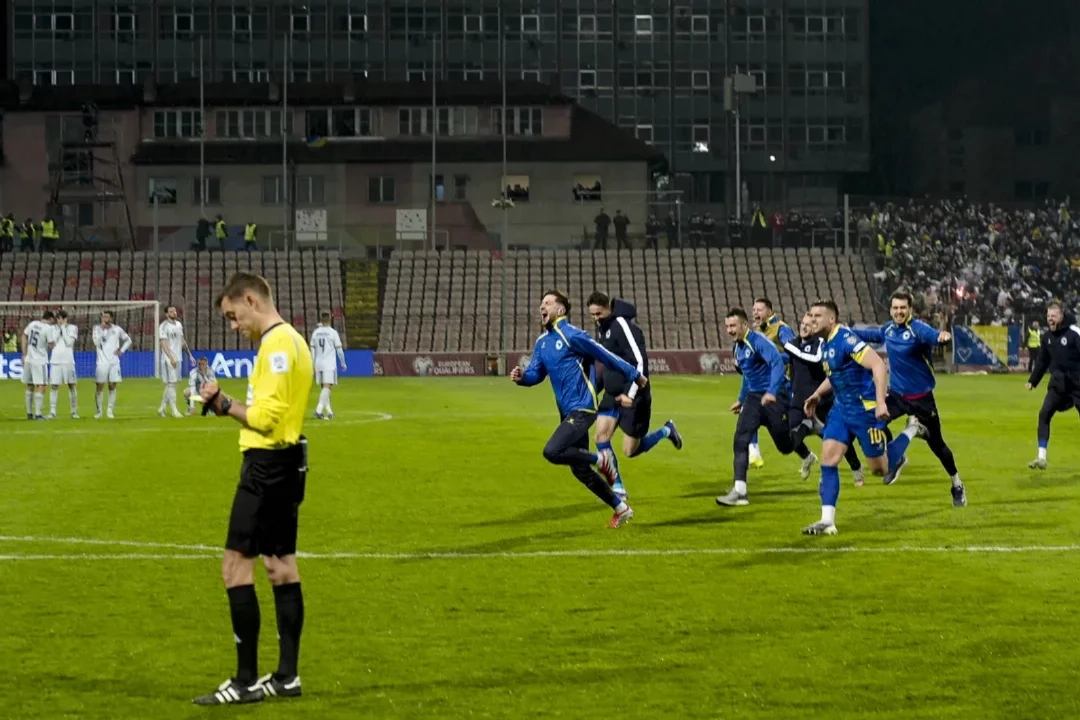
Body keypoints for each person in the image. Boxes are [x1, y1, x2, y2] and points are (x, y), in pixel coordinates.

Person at [192, 272, 313, 705]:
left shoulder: (277, 346)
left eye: (232, 315)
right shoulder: (292, 340)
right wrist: (224, 404)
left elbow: (266, 418)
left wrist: (222, 403)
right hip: (288, 463)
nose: (233, 326)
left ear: (250, 300)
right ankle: (286, 677)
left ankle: (244, 683)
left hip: (265, 469)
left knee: (234, 568)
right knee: (281, 567)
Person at [511, 290, 648, 528]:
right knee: (579, 469)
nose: (542, 306)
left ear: (561, 310)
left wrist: (634, 374)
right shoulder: (542, 342)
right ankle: (621, 508)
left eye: (547, 303)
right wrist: (523, 377)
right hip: (567, 412)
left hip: (583, 407)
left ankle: (601, 459)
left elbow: (605, 355)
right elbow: (536, 374)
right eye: (541, 303)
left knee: (552, 451)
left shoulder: (573, 335)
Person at [801, 300, 926, 536]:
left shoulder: (845, 339)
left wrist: (880, 402)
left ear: (831, 319)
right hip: (841, 410)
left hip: (865, 411)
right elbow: (836, 374)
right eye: (811, 315)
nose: (812, 320)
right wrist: (817, 394)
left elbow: (878, 365)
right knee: (829, 459)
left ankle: (911, 430)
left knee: (880, 470)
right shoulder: (825, 343)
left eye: (817, 316)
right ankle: (827, 521)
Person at [851, 290, 964, 506]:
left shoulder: (917, 329)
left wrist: (942, 338)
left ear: (910, 309)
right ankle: (898, 456)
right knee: (873, 421)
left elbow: (933, 336)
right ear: (890, 309)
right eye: (895, 308)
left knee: (937, 445)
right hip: (897, 396)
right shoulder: (888, 329)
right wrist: (846, 332)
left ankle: (957, 484)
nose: (899, 311)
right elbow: (872, 335)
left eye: (903, 308)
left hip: (922, 400)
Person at [587, 292, 683, 500]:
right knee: (600, 437)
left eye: (599, 314)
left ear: (608, 308)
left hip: (634, 395)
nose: (595, 319)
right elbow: (608, 365)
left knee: (630, 450)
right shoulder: (603, 329)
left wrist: (629, 393)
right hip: (613, 394)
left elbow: (639, 361)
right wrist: (593, 390)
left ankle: (667, 430)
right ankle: (618, 487)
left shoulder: (622, 325)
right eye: (592, 315)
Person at [715, 308, 800, 507]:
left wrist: (772, 391)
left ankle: (806, 426)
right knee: (740, 439)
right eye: (727, 326)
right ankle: (740, 491)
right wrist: (741, 399)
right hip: (754, 398)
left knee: (785, 446)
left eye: (733, 326)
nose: (729, 330)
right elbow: (748, 375)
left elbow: (777, 363)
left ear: (744, 325)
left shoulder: (758, 341)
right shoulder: (737, 348)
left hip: (773, 397)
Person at [783, 313, 865, 485]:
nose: (804, 327)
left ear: (815, 328)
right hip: (799, 401)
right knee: (789, 436)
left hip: (822, 402)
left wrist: (791, 349)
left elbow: (815, 360)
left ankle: (856, 467)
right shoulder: (793, 345)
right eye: (802, 323)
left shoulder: (820, 344)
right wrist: (792, 390)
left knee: (838, 439)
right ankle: (807, 456)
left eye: (808, 324)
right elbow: (793, 370)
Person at [1024, 303, 1080, 469]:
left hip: (1077, 385)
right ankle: (1041, 458)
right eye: (1048, 316)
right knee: (1044, 414)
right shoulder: (1047, 337)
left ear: (1061, 316)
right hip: (1058, 386)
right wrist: (1033, 381)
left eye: (1053, 316)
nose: (1050, 319)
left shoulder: (1074, 333)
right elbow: (1042, 362)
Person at [744, 298, 797, 470]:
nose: (755, 313)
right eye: (753, 310)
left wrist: (770, 357)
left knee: (795, 425)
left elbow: (794, 354)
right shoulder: (757, 332)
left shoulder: (781, 329)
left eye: (759, 310)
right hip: (767, 385)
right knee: (751, 412)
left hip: (785, 385)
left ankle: (818, 445)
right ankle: (754, 453)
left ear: (770, 311)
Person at [92, 310, 131, 419]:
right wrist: (103, 331)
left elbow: (128, 340)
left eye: (107, 317)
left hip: (114, 362)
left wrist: (121, 350)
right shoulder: (96, 329)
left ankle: (110, 411)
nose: (104, 318)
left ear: (111, 318)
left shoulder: (117, 329)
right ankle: (99, 411)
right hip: (102, 362)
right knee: (99, 386)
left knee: (112, 385)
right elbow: (96, 342)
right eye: (103, 317)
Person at [158, 305, 195, 418]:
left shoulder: (179, 325)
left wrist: (190, 355)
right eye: (171, 311)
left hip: (178, 357)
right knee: (172, 383)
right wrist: (171, 357)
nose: (174, 312)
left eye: (174, 310)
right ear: (166, 314)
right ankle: (174, 411)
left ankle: (162, 408)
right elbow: (163, 344)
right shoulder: (163, 326)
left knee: (172, 384)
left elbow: (182, 341)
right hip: (168, 359)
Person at [309, 312, 346, 420]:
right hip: (329, 363)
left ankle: (329, 411)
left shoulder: (316, 333)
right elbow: (339, 349)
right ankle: (318, 410)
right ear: (330, 320)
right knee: (327, 386)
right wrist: (343, 362)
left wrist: (313, 363)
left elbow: (312, 349)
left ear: (321, 320)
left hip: (318, 363)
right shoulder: (333, 333)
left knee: (324, 388)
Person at [21, 311, 54, 420]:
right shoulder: (48, 328)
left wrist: (24, 354)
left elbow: (24, 336)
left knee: (30, 385)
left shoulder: (33, 324)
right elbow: (51, 345)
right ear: (50, 319)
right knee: (42, 386)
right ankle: (38, 414)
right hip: (40, 361)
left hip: (29, 359)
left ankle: (29, 413)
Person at [47, 310, 79, 419]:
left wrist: (63, 328)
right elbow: (52, 342)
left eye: (61, 318)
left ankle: (73, 412)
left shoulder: (73, 328)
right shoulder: (52, 328)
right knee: (54, 386)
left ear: (66, 319)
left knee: (72, 385)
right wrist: (59, 329)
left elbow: (69, 342)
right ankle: (52, 412)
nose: (59, 321)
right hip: (55, 361)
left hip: (68, 361)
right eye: (58, 318)